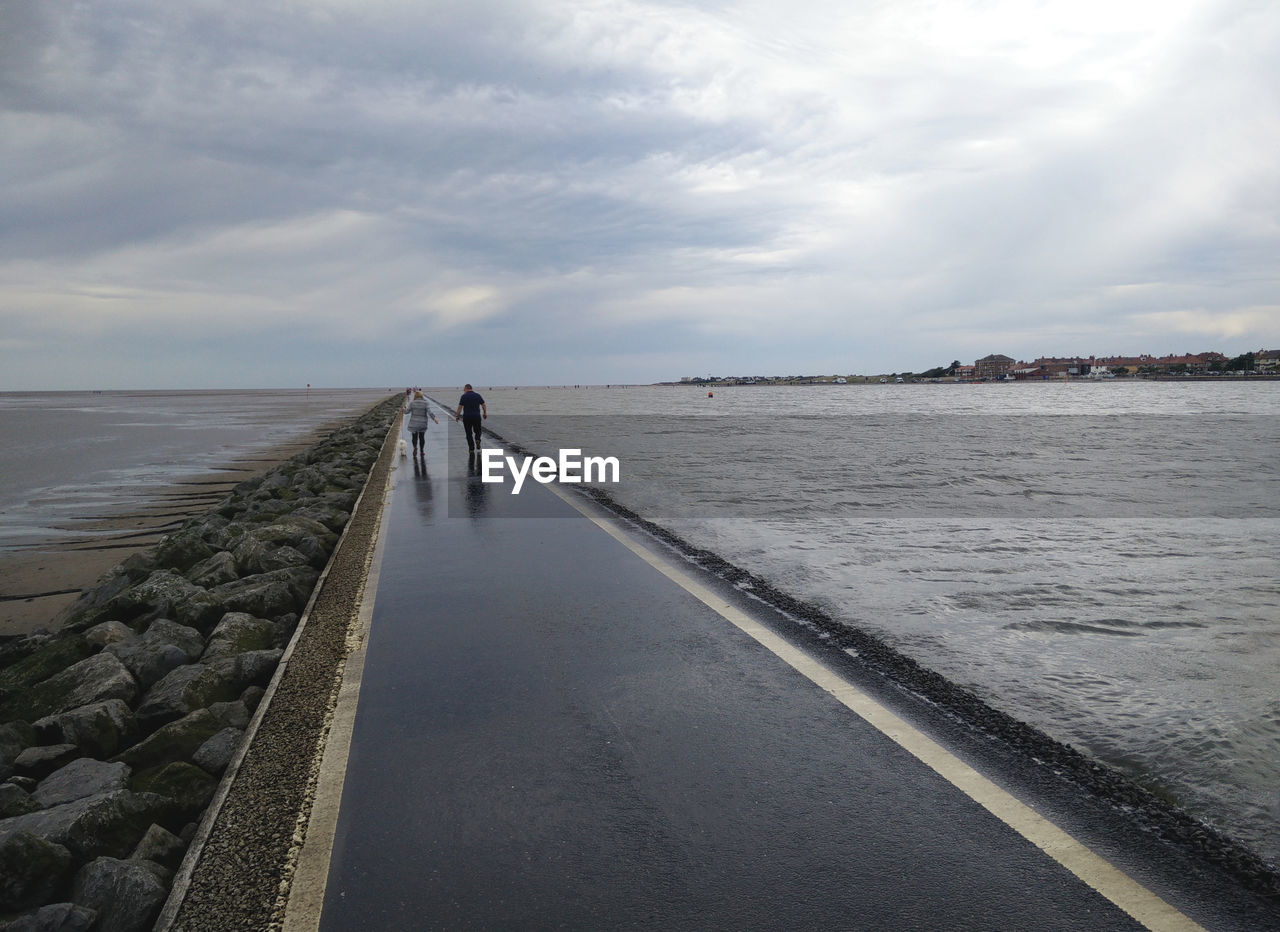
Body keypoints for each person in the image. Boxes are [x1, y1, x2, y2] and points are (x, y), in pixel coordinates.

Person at [454, 384, 487, 452]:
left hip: (467, 417)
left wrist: (457, 416)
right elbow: (483, 405)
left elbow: (460, 407)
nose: (463, 390)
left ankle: (471, 448)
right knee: (478, 431)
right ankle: (477, 439)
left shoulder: (463, 396)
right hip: (476, 417)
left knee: (468, 433)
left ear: (466, 388)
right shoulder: (477, 395)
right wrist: (485, 413)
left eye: (464, 389)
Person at [404, 390, 438, 457]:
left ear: (415, 396)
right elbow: (429, 412)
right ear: (422, 396)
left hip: (414, 423)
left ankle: (415, 447)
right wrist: (434, 419)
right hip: (422, 423)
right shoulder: (426, 403)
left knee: (414, 437)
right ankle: (422, 451)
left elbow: (406, 412)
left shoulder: (412, 403)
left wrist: (403, 409)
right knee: (422, 437)